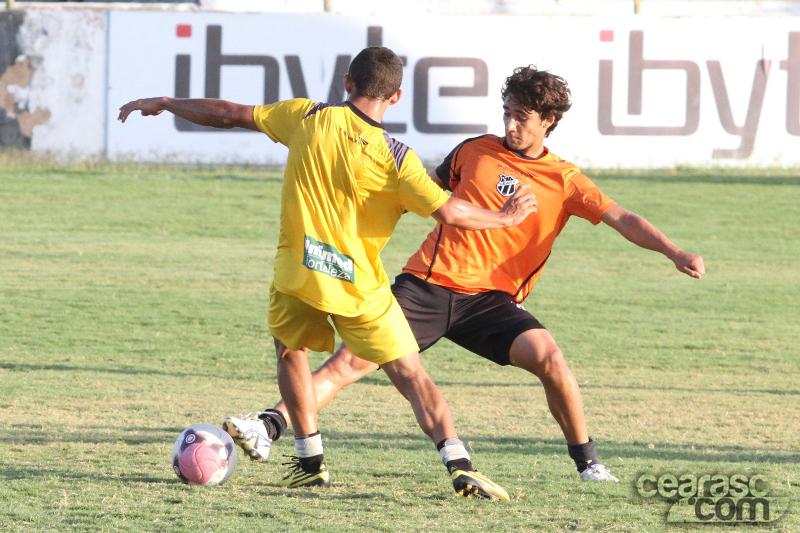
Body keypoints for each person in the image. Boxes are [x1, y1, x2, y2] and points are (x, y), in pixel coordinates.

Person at [220, 65, 706, 483]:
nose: (511, 125)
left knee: (551, 359)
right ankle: (268, 425)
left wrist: (673, 250)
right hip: (426, 287)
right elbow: (418, 195)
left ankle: (589, 464)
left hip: (490, 303)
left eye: (523, 117)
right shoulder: (474, 150)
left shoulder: (565, 180)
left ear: (549, 121)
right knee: (348, 364)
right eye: (507, 113)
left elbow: (622, 218)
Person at [118, 47, 540, 500]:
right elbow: (451, 212)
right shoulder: (399, 158)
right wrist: (506, 217)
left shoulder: (307, 117)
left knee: (291, 352)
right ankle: (460, 466)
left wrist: (167, 102)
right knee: (411, 375)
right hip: (360, 287)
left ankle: (311, 462)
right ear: (396, 97)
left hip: (300, 272)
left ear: (347, 82)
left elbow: (227, 113)